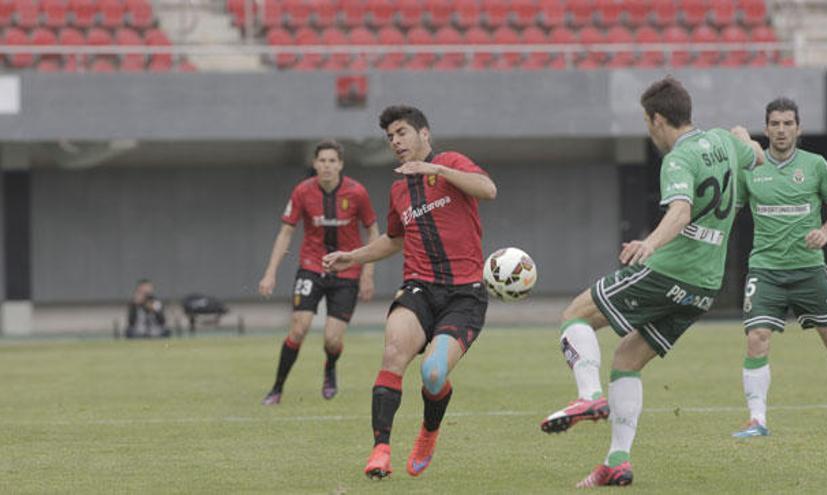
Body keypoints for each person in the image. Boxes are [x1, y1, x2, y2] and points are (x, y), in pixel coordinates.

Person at [539, 76, 765, 488]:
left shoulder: (678, 159)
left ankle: (589, 397)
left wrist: (649, 242)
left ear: (658, 119)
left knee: (575, 316)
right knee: (627, 358)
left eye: (647, 122)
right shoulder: (724, 143)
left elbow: (679, 212)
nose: (649, 131)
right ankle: (617, 462)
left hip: (668, 270)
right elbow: (758, 156)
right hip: (704, 287)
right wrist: (744, 138)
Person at [322, 105, 496, 480]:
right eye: (390, 137)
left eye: (402, 133)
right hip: (418, 287)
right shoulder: (399, 189)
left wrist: (437, 169)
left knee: (433, 374)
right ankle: (380, 451)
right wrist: (351, 257)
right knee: (393, 353)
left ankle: (428, 433)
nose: (396, 142)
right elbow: (392, 240)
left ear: (424, 134)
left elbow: (488, 188)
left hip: (464, 295)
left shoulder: (449, 162)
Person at [731, 97, 827, 437]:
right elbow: (731, 209)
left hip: (809, 270)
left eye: (788, 123)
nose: (781, 130)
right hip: (765, 270)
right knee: (757, 337)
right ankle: (757, 419)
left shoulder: (815, 165)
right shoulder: (750, 168)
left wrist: (825, 231)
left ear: (799, 128)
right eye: (775, 124)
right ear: (766, 128)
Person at [259, 139, 379, 405]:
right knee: (298, 328)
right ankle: (277, 389)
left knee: (332, 340)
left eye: (332, 161)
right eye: (322, 161)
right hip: (311, 267)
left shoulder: (357, 193)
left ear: (341, 165)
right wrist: (270, 272)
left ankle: (330, 368)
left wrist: (368, 274)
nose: (326, 166)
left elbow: (373, 230)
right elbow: (286, 232)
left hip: (347, 271)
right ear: (315, 164)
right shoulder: (302, 192)